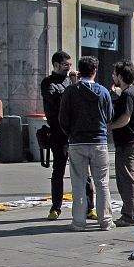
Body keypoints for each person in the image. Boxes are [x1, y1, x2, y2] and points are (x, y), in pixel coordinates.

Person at [59, 55, 114, 231]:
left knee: (79, 183)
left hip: (77, 142)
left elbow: (63, 118)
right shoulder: (104, 92)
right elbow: (109, 115)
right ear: (95, 71)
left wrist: (70, 133)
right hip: (99, 141)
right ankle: (105, 220)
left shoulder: (70, 91)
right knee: (102, 182)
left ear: (79, 71)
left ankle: (78, 222)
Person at [41, 51, 96, 221]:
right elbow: (58, 102)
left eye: (70, 65)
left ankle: (89, 207)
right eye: (66, 65)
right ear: (56, 65)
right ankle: (56, 207)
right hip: (59, 133)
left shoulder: (72, 82)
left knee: (84, 172)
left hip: (76, 133)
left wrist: (77, 84)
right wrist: (73, 87)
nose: (69, 69)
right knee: (58, 170)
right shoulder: (48, 83)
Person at [108, 60, 134, 227]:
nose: (113, 76)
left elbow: (125, 118)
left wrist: (109, 126)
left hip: (127, 142)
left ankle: (129, 215)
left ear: (121, 76)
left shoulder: (127, 95)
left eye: (115, 74)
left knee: (126, 179)